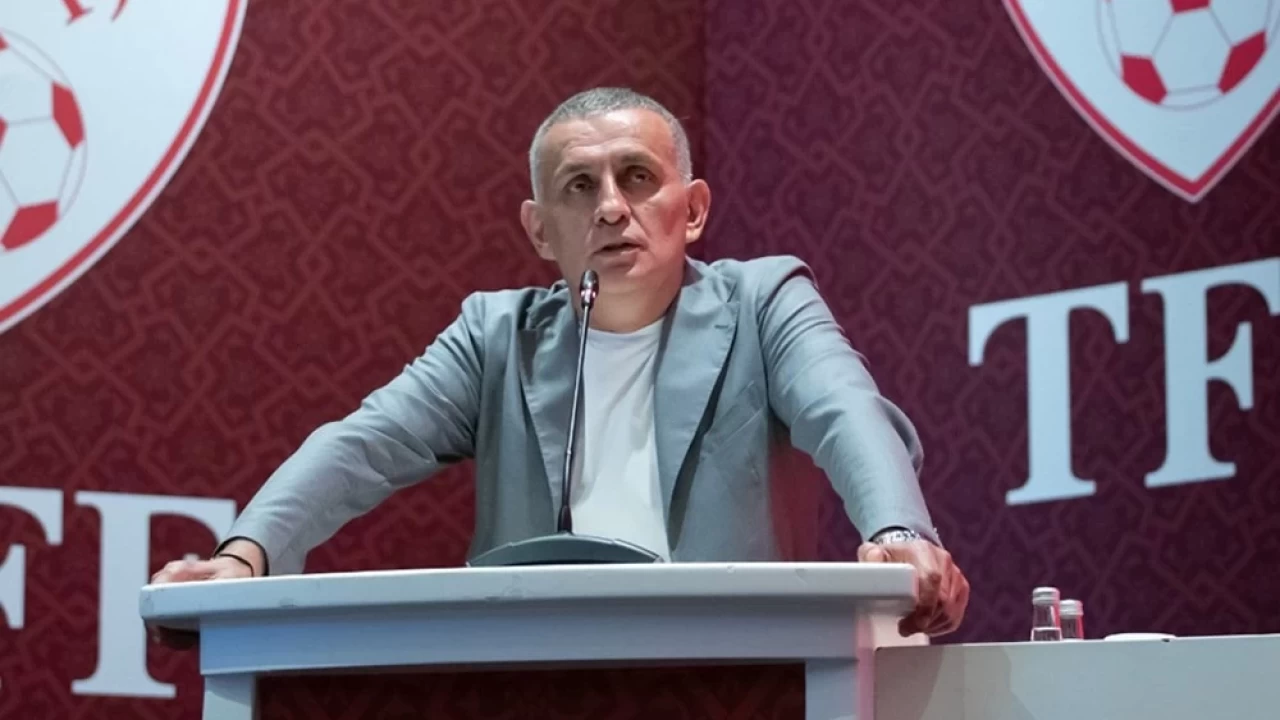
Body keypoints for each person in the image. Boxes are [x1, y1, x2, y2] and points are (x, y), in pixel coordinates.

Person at [151, 87, 969, 638]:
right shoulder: (494, 336)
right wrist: (245, 556)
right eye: (579, 186)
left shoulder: (764, 302)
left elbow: (841, 409)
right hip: (539, 670)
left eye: (637, 177)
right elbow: (362, 444)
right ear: (541, 231)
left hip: (735, 666)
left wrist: (898, 533)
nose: (611, 206)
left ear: (692, 210)